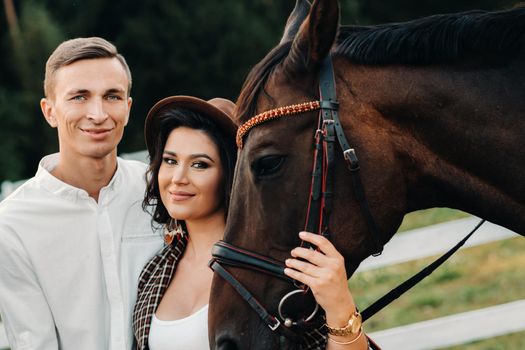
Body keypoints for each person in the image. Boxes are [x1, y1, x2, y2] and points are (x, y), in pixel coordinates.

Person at [132, 96, 372, 350]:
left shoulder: (279, 268)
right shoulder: (154, 271)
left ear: (233, 173)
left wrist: (340, 305)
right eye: (170, 161)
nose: (178, 177)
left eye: (199, 164)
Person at [0, 37, 163, 349]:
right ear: (49, 111)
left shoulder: (161, 192)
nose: (98, 113)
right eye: (79, 97)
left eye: (112, 96)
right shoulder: (11, 225)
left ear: (127, 109)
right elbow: (37, 342)